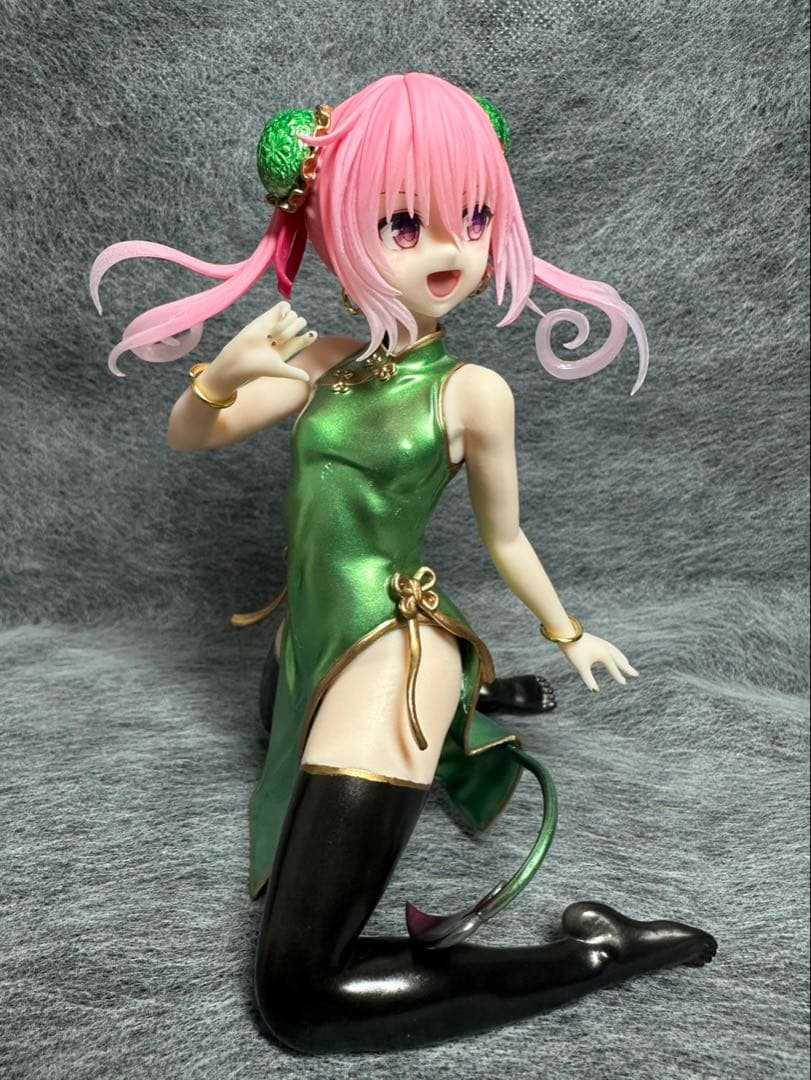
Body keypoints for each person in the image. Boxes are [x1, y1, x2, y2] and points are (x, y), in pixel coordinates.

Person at [89, 72, 716, 1054]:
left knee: (302, 1000)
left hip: (386, 656)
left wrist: (569, 632)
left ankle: (597, 952)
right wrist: (221, 376)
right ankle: (477, 702)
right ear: (337, 228)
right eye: (404, 224)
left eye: (475, 217)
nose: (451, 250)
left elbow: (506, 538)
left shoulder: (470, 393)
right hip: (307, 635)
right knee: (273, 725)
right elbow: (191, 435)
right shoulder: (324, 362)